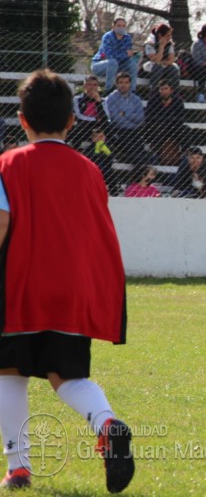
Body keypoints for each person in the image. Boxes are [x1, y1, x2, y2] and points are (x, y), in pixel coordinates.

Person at [0, 70, 133, 493]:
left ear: (22, 120)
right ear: (72, 121)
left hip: (19, 288)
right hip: (71, 291)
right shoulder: (90, 170)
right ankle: (106, 422)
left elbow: (2, 222)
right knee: (69, 375)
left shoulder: (7, 164)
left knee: (8, 372)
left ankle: (18, 467)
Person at [144, 80, 191, 165]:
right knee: (157, 127)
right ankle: (155, 153)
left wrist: (164, 119)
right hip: (158, 129)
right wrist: (168, 120)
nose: (163, 91)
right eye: (161, 89)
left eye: (166, 89)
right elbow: (149, 117)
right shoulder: (153, 101)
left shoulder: (178, 101)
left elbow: (181, 119)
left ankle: (184, 154)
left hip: (173, 128)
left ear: (171, 90)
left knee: (186, 129)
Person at [104, 71, 146, 163]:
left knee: (139, 148)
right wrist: (132, 119)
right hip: (117, 130)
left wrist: (125, 114)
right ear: (116, 83)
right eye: (121, 82)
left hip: (134, 132)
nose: (124, 85)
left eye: (126, 82)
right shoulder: (110, 98)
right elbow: (115, 118)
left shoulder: (136, 99)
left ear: (130, 84)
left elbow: (140, 118)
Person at [91, 17, 139, 92]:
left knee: (132, 64)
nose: (121, 28)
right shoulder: (107, 37)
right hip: (100, 66)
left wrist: (130, 55)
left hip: (118, 67)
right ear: (113, 27)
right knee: (113, 62)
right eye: (119, 25)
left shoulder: (127, 38)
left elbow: (127, 57)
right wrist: (125, 54)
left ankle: (132, 91)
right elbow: (109, 55)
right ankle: (108, 90)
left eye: (123, 26)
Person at [70, 74, 108, 149]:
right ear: (84, 86)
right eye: (89, 84)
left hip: (97, 126)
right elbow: (79, 115)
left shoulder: (102, 100)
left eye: (95, 85)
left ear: (98, 87)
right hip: (82, 124)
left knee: (107, 126)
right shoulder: (77, 99)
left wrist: (98, 102)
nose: (92, 87)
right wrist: (96, 119)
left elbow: (106, 116)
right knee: (82, 125)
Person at [142, 23, 180, 91]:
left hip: (165, 66)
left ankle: (175, 93)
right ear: (160, 36)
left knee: (173, 69)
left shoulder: (169, 43)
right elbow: (155, 60)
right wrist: (161, 46)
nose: (169, 38)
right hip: (150, 67)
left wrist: (162, 62)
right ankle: (153, 92)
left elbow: (171, 59)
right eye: (167, 36)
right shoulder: (150, 43)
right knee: (158, 68)